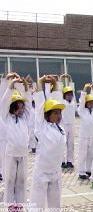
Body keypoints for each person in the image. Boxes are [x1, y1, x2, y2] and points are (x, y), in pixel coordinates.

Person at [30, 75, 66, 209]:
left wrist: (56, 85)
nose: (58, 116)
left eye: (59, 113)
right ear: (47, 115)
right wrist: (40, 82)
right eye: (55, 113)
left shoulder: (60, 127)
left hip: (56, 172)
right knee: (36, 205)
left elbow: (56, 101)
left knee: (55, 205)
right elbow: (40, 105)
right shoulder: (42, 127)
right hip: (42, 172)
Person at [0, 73, 31, 211]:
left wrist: (25, 89)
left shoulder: (25, 118)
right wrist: (10, 87)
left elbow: (30, 106)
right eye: (18, 106)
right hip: (10, 153)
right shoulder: (6, 118)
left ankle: (20, 204)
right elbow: (3, 103)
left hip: (23, 154)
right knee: (10, 180)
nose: (22, 108)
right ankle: (10, 205)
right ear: (12, 107)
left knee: (22, 180)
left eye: (22, 105)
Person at [57, 74, 77, 169]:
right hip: (63, 124)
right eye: (67, 94)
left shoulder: (73, 102)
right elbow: (60, 91)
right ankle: (61, 161)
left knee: (71, 144)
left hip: (72, 125)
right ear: (64, 95)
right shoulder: (62, 101)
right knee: (62, 143)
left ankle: (70, 161)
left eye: (70, 94)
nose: (69, 96)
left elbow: (71, 88)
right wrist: (61, 79)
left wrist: (70, 79)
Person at [77, 83, 93, 179]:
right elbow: (81, 102)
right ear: (86, 103)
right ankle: (81, 171)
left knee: (91, 154)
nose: (91, 104)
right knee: (82, 154)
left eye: (92, 102)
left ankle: (89, 170)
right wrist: (85, 90)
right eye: (89, 102)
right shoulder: (82, 111)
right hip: (84, 136)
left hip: (92, 137)